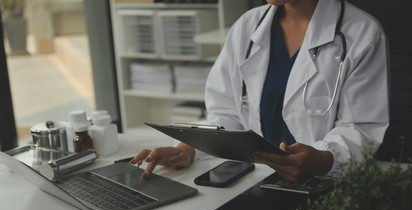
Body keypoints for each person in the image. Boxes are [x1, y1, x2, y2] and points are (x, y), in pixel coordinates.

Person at [131, 0, 390, 182]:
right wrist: (188, 148)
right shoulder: (247, 27)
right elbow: (226, 113)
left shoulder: (363, 34)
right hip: (254, 180)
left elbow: (361, 128)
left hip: (330, 187)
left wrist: (324, 161)